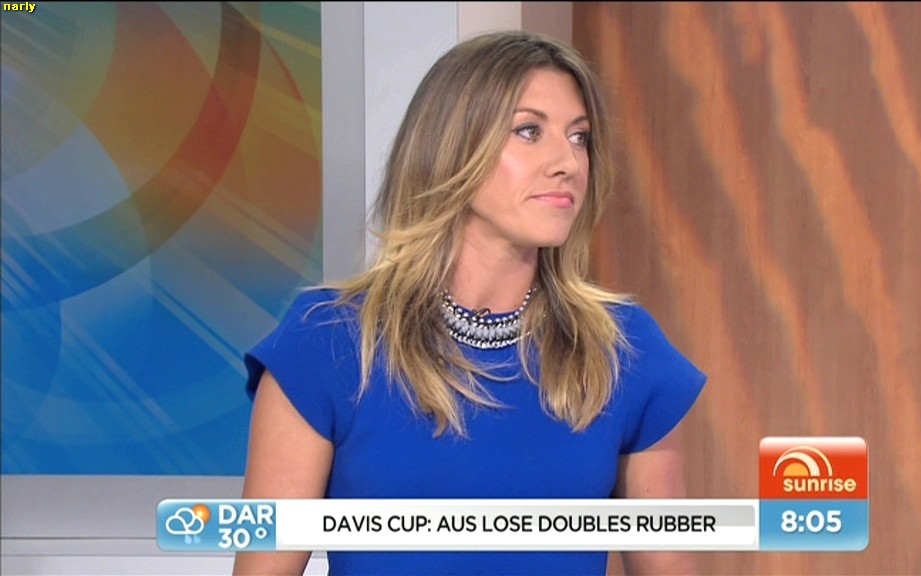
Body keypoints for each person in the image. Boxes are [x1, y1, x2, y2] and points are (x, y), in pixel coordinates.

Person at [233, 30, 707, 576]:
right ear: (452, 148)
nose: (568, 163)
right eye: (529, 131)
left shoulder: (624, 349)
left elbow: (668, 564)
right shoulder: (330, 342)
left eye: (579, 138)